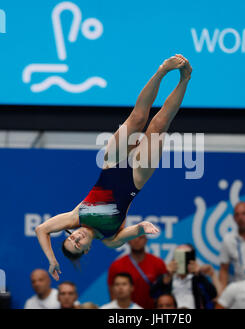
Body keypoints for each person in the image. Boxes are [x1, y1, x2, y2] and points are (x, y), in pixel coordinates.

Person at [34, 54, 192, 281]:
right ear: (87, 249)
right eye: (78, 245)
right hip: (135, 179)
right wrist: (142, 227)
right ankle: (185, 78)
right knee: (158, 125)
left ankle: (161, 72)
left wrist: (52, 260)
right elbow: (136, 230)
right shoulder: (110, 239)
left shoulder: (74, 217)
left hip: (112, 164)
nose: (76, 239)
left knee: (137, 117)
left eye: (70, 239)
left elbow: (41, 230)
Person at [150, 244, 221, 309]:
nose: (183, 261)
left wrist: (198, 275)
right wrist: (167, 276)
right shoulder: (167, 277)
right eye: (179, 256)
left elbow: (212, 295)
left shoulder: (197, 278)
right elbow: (153, 294)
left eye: (186, 257)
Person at [107, 235, 167, 309]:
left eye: (141, 237)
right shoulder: (116, 266)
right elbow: (113, 295)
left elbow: (165, 294)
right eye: (133, 237)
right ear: (128, 241)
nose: (137, 240)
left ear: (146, 240)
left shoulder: (158, 263)